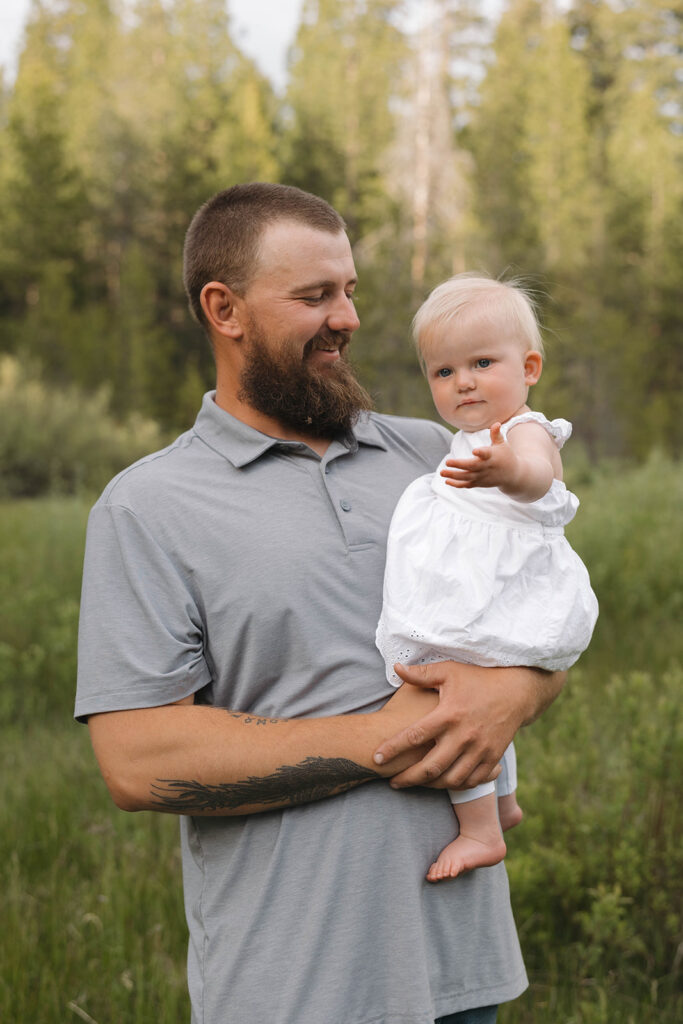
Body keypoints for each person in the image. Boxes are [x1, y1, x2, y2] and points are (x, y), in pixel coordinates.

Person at [76, 183, 567, 1024]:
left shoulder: (436, 455)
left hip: (463, 968)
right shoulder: (148, 505)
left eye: (348, 291)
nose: (346, 318)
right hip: (293, 985)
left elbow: (541, 612)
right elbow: (137, 761)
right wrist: (397, 736)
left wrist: (516, 692)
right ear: (223, 309)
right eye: (314, 297)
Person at [376, 274, 598, 883]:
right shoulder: (466, 437)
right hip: (485, 588)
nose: (463, 381)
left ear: (528, 367)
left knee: (460, 694)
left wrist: (507, 471)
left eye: (480, 362)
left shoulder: (524, 433)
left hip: (500, 591)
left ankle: (480, 831)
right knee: (481, 685)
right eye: (444, 372)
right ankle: (503, 803)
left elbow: (540, 477)